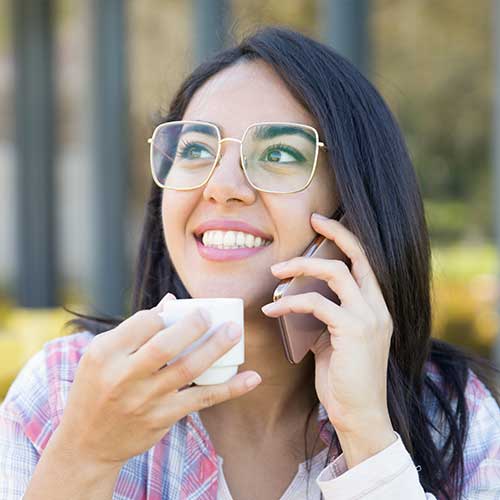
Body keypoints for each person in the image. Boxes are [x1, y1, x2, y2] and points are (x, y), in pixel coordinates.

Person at [1, 26, 499, 500]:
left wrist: (368, 437)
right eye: (195, 149)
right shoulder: (65, 389)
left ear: (353, 200)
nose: (220, 186)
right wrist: (85, 455)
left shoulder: (451, 414)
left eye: (280, 154)